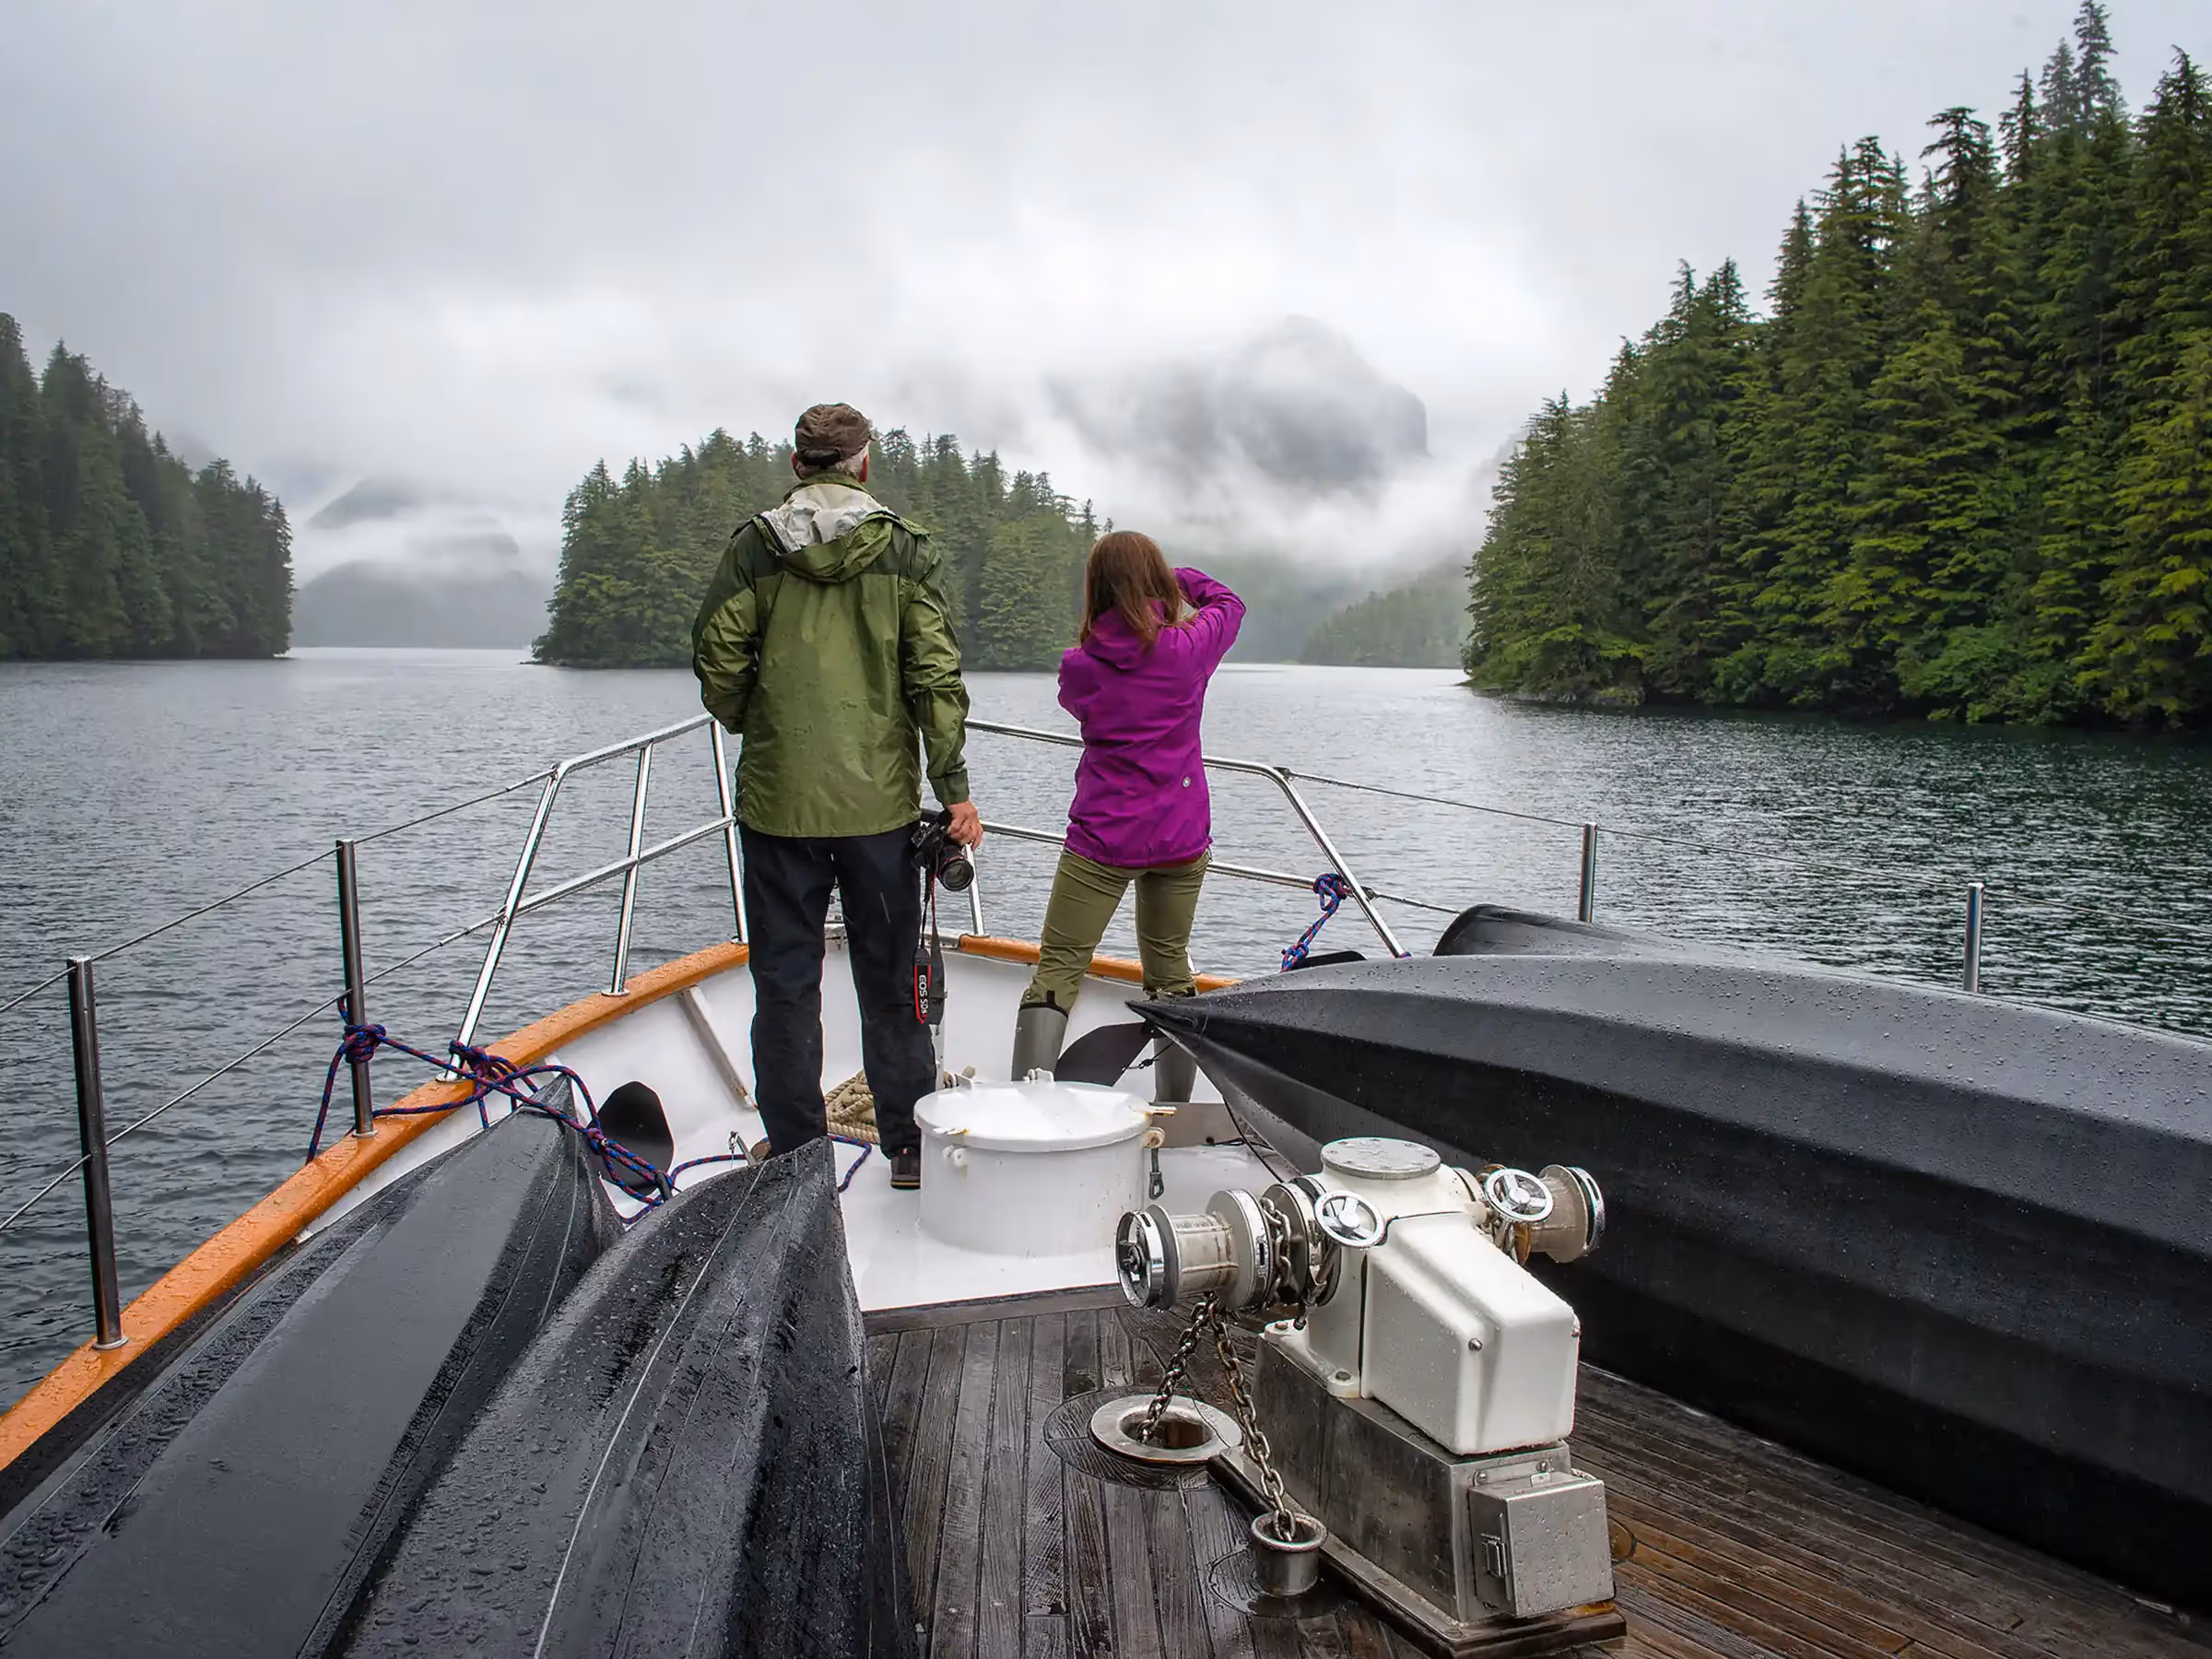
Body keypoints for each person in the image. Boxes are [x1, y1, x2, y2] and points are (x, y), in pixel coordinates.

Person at [692, 403, 981, 1191]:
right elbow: (934, 678)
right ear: (862, 464)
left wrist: (761, 719)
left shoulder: (754, 547)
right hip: (880, 810)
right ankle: (908, 1149)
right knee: (891, 984)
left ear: (797, 465)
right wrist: (953, 789)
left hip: (778, 807)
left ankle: (791, 1160)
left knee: (784, 985)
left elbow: (717, 658)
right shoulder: (905, 551)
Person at [1010, 533, 1243, 1094]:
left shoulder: (1081, 664)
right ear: (1153, 583)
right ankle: (1174, 1108)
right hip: (1181, 836)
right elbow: (1230, 604)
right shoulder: (1187, 649)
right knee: (1169, 969)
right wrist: (1173, 579)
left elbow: (1077, 704)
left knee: (1061, 966)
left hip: (1104, 838)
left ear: (1098, 588)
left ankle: (1022, 1107)